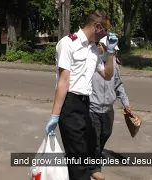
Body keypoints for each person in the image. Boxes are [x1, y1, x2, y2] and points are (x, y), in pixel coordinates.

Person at [45, 10, 119, 180]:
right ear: (97, 26)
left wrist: (110, 52)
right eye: (105, 31)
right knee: (78, 157)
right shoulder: (68, 43)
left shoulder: (94, 49)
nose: (106, 34)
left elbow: (107, 75)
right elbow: (63, 82)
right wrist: (55, 116)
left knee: (89, 147)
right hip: (70, 105)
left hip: (86, 105)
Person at [89, 36, 131, 179]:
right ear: (100, 48)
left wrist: (126, 103)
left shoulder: (114, 67)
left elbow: (119, 85)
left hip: (108, 109)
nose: (112, 53)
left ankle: (93, 157)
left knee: (105, 134)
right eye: (110, 50)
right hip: (92, 108)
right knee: (95, 138)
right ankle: (94, 168)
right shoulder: (92, 64)